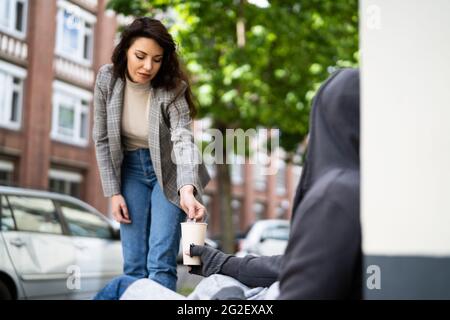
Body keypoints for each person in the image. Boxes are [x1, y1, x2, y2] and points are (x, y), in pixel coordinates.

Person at [95, 68, 361, 300]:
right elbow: (289, 267)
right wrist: (221, 263)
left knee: (124, 286)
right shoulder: (359, 189)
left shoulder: (334, 195)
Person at [93, 17, 210, 292]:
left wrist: (187, 189)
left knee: (160, 262)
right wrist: (114, 192)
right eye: (140, 56)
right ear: (124, 51)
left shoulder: (172, 88)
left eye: (157, 59)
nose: (148, 67)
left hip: (168, 173)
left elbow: (183, 139)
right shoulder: (106, 79)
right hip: (130, 170)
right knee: (133, 264)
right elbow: (101, 138)